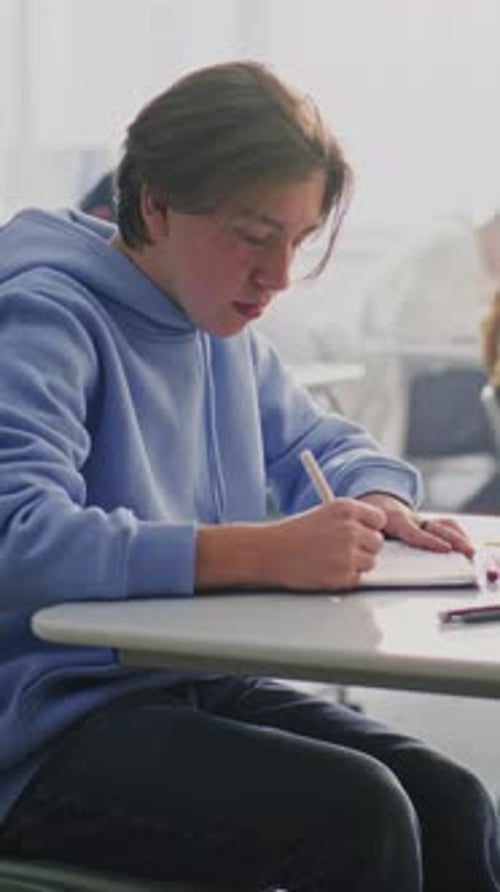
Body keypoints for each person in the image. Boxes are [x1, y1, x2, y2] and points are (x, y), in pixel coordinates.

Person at [0, 60, 497, 892]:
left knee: (454, 803)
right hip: (43, 727)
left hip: (182, 685)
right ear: (155, 204)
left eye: (298, 243)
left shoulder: (218, 325)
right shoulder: (46, 316)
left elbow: (327, 441)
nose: (277, 277)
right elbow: (15, 534)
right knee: (358, 816)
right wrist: (258, 552)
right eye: (254, 236)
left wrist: (375, 503)